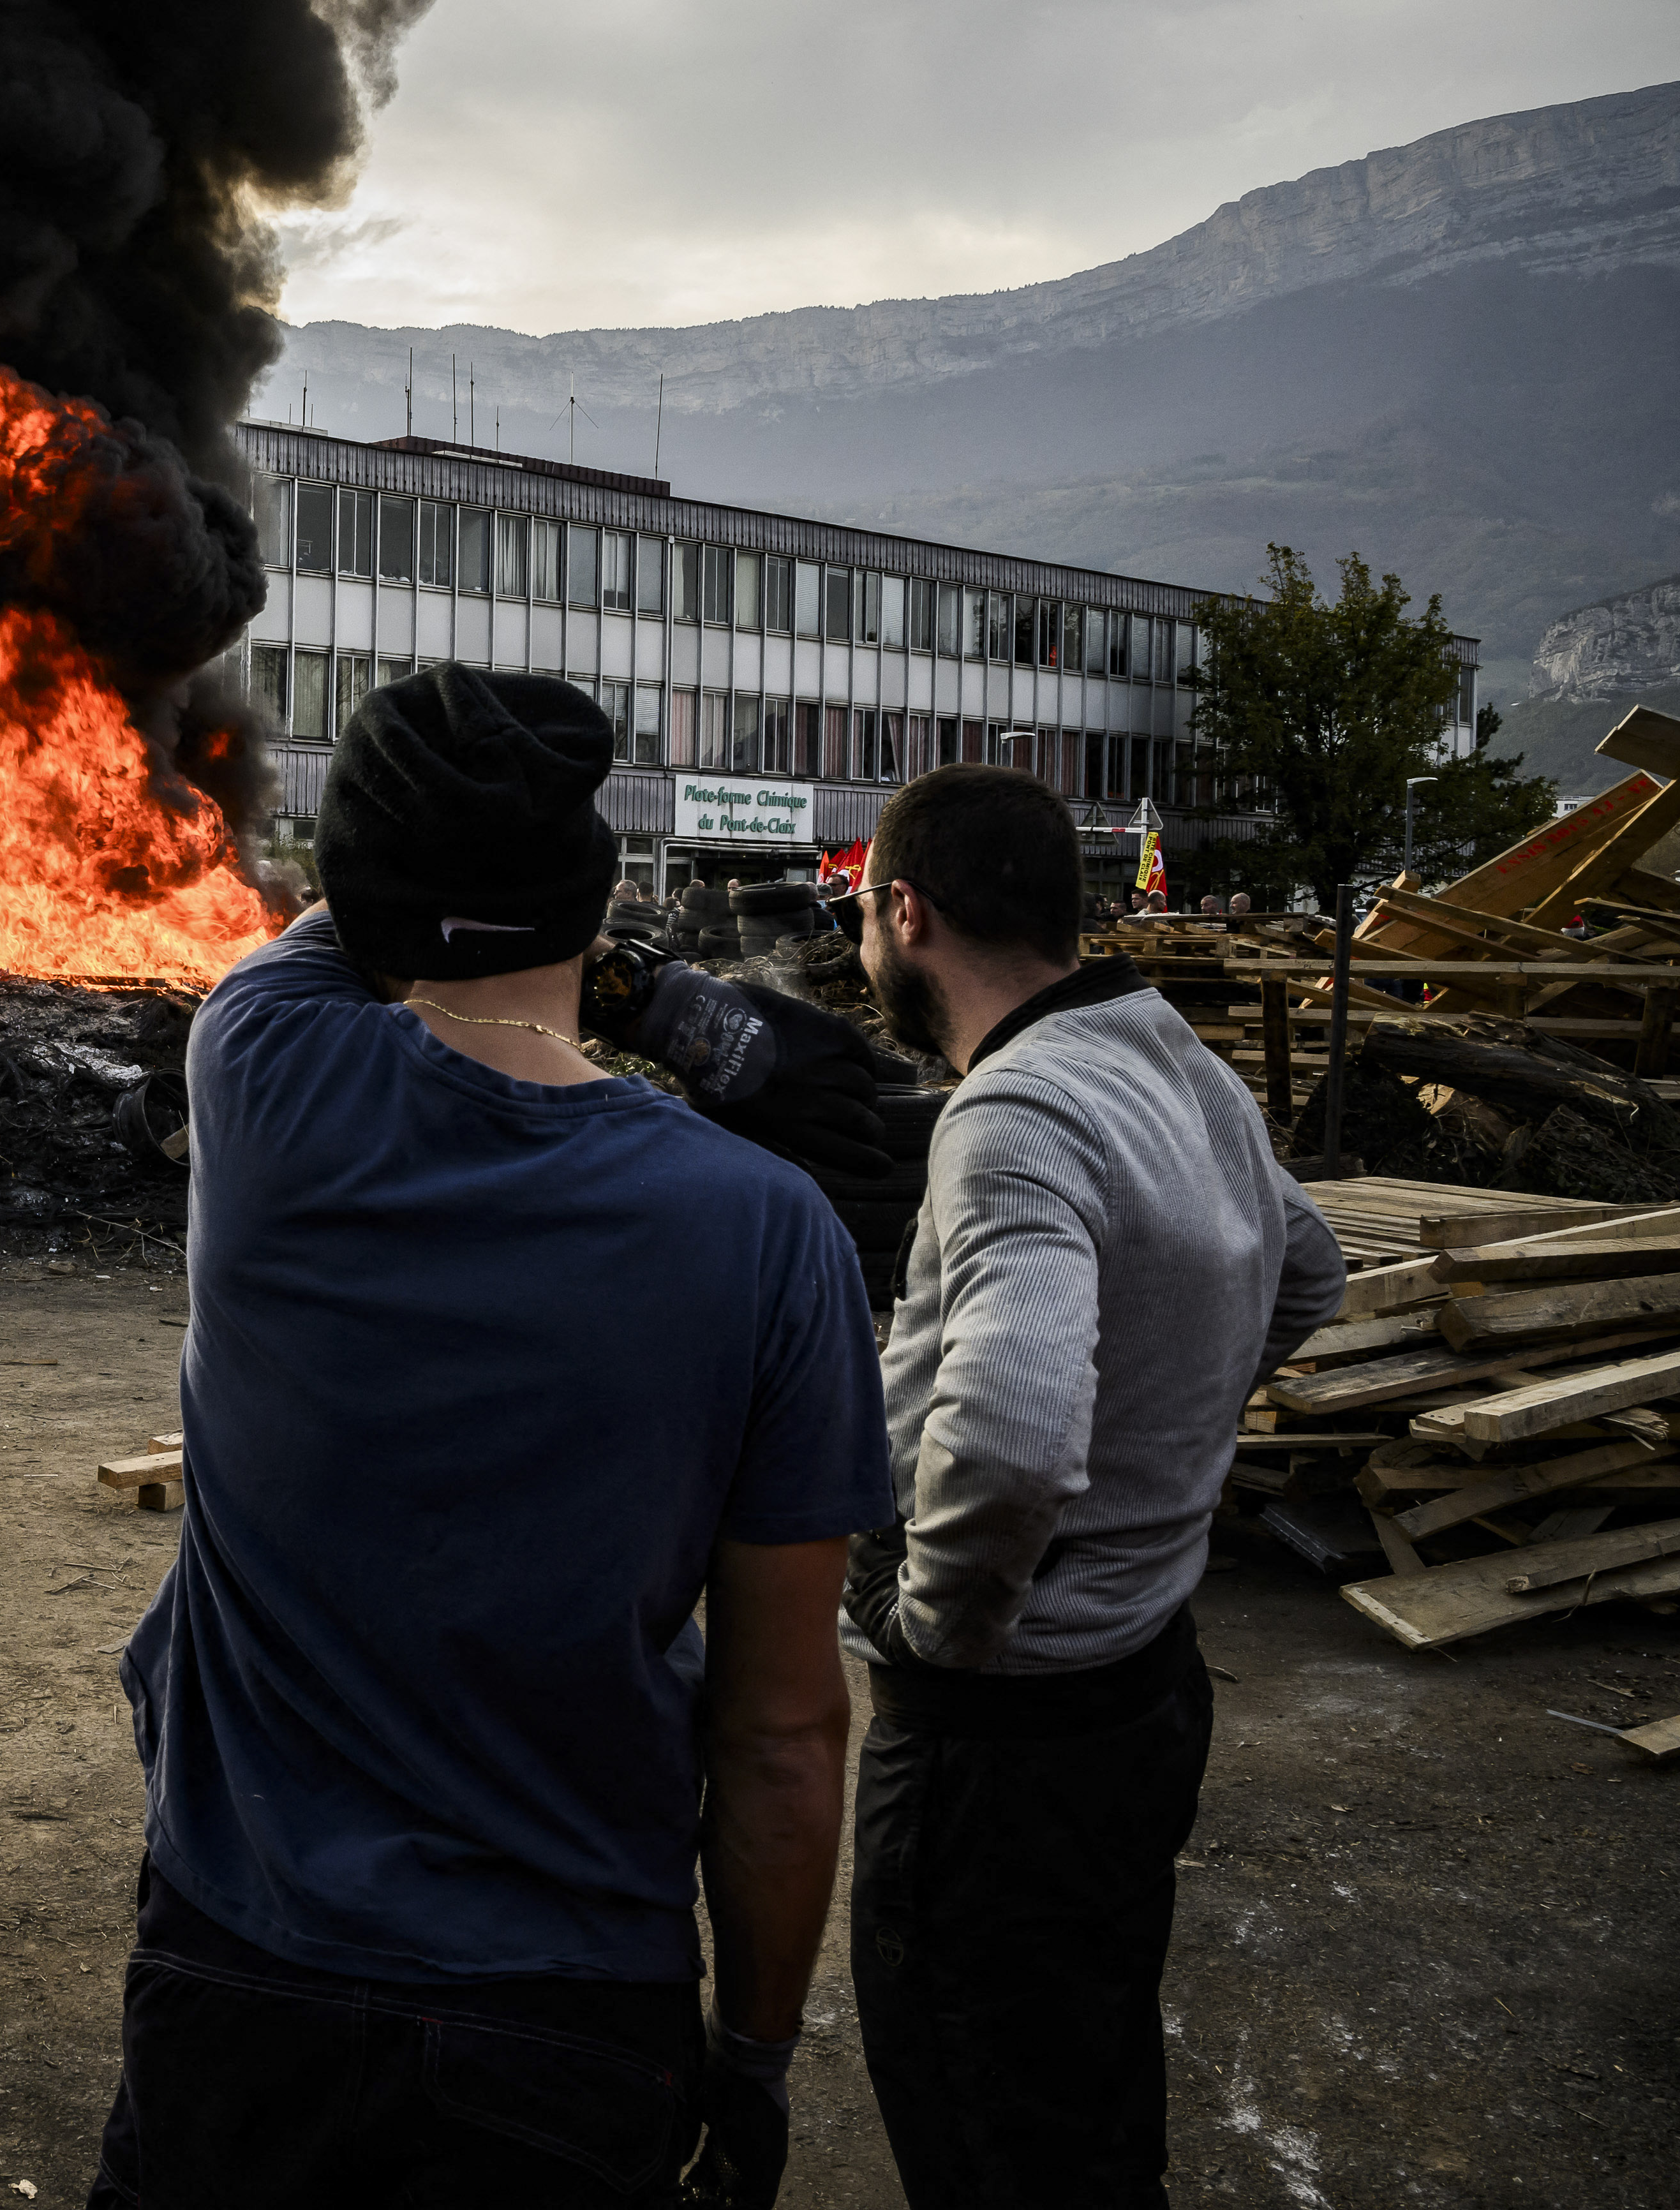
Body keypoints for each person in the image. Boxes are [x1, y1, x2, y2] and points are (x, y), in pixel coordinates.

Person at [94, 667, 883, 2210]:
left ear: (363, 887)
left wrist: (605, 969)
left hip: (245, 1968)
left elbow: (349, 927)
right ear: (588, 889)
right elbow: (785, 1735)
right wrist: (758, 2057)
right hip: (569, 2012)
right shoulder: (769, 1234)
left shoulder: (259, 1075)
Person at [842, 764, 1343, 2207]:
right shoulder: (1168, 1052)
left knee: (986, 2127)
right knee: (1082, 2086)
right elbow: (1309, 1267)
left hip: (1004, 1733)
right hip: (1145, 1685)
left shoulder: (1017, 1114)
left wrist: (943, 1631)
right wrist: (1161, 1429)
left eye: (871, 922)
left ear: (905, 911)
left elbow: (1006, 1443)